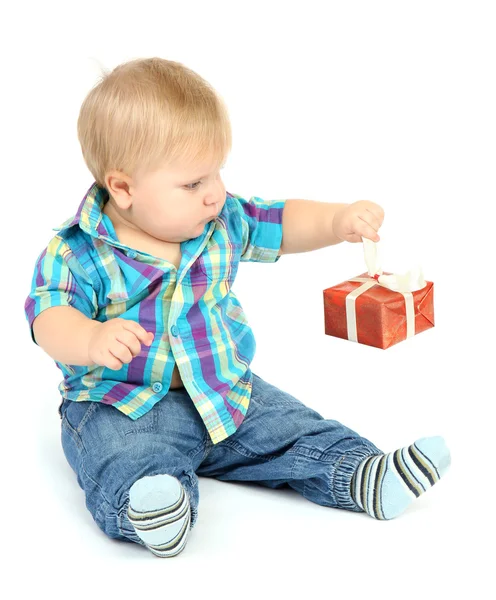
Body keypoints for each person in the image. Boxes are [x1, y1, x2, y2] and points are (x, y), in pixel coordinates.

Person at [24, 57, 451, 558]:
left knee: (292, 427)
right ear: (123, 188)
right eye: (193, 183)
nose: (215, 194)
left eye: (216, 174)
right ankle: (153, 509)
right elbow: (48, 316)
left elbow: (280, 221)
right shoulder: (76, 252)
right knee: (123, 455)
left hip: (224, 388)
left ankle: (360, 473)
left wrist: (337, 220)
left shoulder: (220, 221)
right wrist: (91, 339)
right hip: (122, 402)